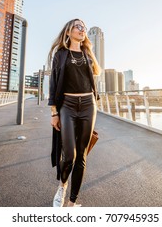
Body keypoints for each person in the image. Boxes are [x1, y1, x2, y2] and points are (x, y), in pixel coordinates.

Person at [48, 18, 101, 207]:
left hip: (88, 105)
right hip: (68, 106)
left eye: (84, 28)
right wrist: (54, 112)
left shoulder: (87, 53)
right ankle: (62, 185)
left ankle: (72, 203)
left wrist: (90, 50)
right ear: (68, 31)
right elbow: (53, 83)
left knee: (82, 156)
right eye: (78, 26)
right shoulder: (60, 54)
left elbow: (95, 74)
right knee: (69, 154)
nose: (82, 29)